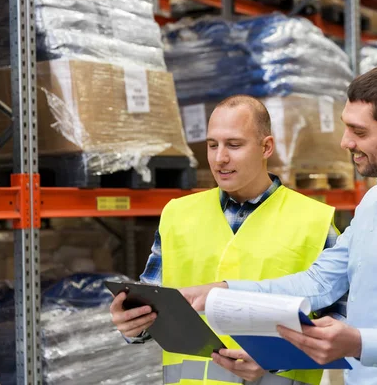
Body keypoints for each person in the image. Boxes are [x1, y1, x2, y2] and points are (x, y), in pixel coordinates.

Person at [181, 64, 377, 385]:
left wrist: (359, 343)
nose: (345, 142)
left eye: (359, 132)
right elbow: (319, 283)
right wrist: (223, 292)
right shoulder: (375, 201)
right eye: (346, 128)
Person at [110, 95, 340, 385]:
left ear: (266, 147)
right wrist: (132, 322)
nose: (220, 158)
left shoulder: (313, 221)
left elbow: (341, 323)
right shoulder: (177, 214)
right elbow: (154, 301)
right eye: (212, 145)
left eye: (234, 145)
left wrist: (276, 357)